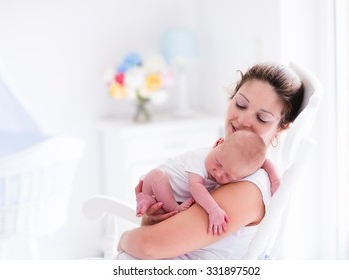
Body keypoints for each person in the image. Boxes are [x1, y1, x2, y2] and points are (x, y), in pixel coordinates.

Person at [116, 62, 304, 260]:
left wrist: (122, 240)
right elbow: (157, 238)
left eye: (262, 118)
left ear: (280, 128)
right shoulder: (221, 158)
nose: (243, 120)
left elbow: (149, 246)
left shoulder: (249, 189)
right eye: (240, 104)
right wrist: (152, 218)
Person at [136, 130, 269, 235]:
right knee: (157, 175)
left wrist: (275, 180)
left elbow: (263, 162)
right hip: (153, 183)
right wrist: (214, 210)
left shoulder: (242, 176)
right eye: (218, 162)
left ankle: (147, 200)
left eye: (228, 175)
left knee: (154, 207)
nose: (218, 173)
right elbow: (195, 187)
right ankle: (170, 207)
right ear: (217, 143)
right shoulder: (199, 157)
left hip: (163, 199)